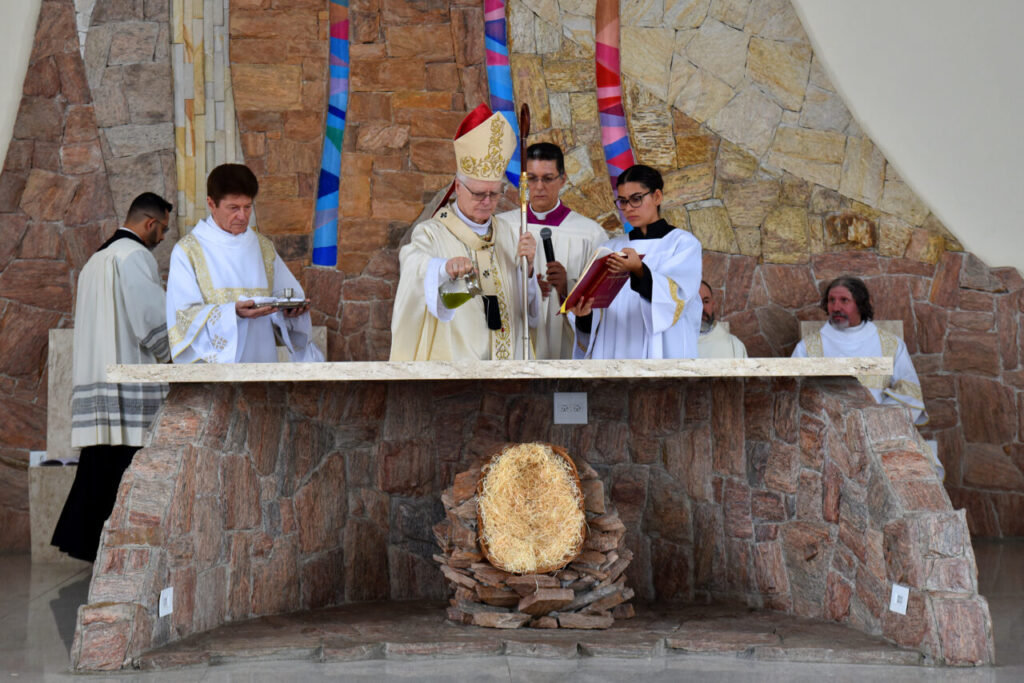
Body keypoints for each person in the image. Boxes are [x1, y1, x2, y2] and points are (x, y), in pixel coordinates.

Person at [51, 192, 173, 562]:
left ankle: (85, 545)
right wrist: (175, 356)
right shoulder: (135, 257)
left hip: (98, 379)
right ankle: (106, 552)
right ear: (149, 223)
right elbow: (149, 320)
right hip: (127, 385)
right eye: (164, 229)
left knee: (99, 467)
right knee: (118, 473)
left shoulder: (95, 261)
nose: (164, 238)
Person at [390, 104, 539, 360]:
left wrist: (530, 270)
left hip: (508, 364)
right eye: (479, 193)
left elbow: (528, 311)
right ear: (458, 187)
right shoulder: (433, 233)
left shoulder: (509, 234)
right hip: (454, 365)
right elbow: (412, 261)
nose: (487, 201)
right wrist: (442, 268)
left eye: (494, 194)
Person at [166, 164, 324, 363]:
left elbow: (286, 297)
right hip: (214, 374)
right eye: (233, 208)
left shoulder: (263, 247)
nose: (242, 216)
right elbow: (183, 317)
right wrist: (232, 313)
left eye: (247, 207)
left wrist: (292, 312)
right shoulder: (188, 251)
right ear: (211, 204)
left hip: (262, 359)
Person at [567, 164, 702, 359]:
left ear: (657, 197)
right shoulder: (610, 249)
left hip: (662, 352)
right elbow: (597, 317)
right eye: (622, 201)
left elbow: (677, 298)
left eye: (636, 199)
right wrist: (584, 314)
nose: (628, 208)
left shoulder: (682, 244)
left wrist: (639, 271)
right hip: (613, 350)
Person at [497, 142, 607, 359]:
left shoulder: (590, 234)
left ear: (563, 179)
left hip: (565, 345)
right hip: (516, 345)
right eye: (532, 178)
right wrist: (527, 283)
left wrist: (567, 287)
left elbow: (599, 306)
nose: (538, 187)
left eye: (547, 178)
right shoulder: (502, 227)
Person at [792, 276, 927, 424]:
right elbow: (793, 392)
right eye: (831, 300)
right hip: (826, 429)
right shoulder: (808, 347)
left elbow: (909, 392)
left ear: (860, 305)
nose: (836, 307)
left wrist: (874, 418)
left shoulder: (891, 345)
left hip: (878, 428)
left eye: (844, 300)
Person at [697, 280, 747, 359]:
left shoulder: (734, 345)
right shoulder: (675, 345)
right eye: (696, 303)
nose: (702, 308)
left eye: (706, 302)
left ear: (712, 304)